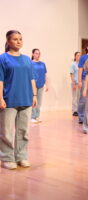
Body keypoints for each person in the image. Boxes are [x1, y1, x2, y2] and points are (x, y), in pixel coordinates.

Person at [0, 30, 37, 170]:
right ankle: (6, 158)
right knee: (7, 132)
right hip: (9, 100)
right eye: (15, 39)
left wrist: (34, 95)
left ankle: (21, 156)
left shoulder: (27, 59)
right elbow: (0, 80)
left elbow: (32, 78)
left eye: (20, 39)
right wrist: (0, 98)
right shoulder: (3, 58)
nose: (18, 41)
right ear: (8, 41)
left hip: (26, 99)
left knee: (23, 131)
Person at [77, 42, 88, 124]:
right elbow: (80, 69)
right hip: (84, 79)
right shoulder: (83, 57)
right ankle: (81, 117)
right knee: (83, 99)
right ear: (87, 48)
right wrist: (79, 81)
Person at [31, 48, 49, 123]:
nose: (38, 55)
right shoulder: (30, 63)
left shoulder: (42, 64)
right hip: (33, 85)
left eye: (39, 53)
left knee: (39, 102)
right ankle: (32, 117)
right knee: (34, 101)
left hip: (41, 85)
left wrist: (47, 84)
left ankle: (37, 116)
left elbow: (45, 75)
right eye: (36, 53)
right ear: (33, 54)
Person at [70, 51, 81, 116]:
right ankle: (74, 110)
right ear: (75, 57)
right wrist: (73, 83)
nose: (79, 57)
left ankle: (79, 110)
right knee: (75, 97)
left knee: (79, 97)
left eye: (80, 55)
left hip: (80, 83)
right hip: (75, 83)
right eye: (78, 55)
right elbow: (71, 74)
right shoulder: (73, 64)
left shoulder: (81, 64)